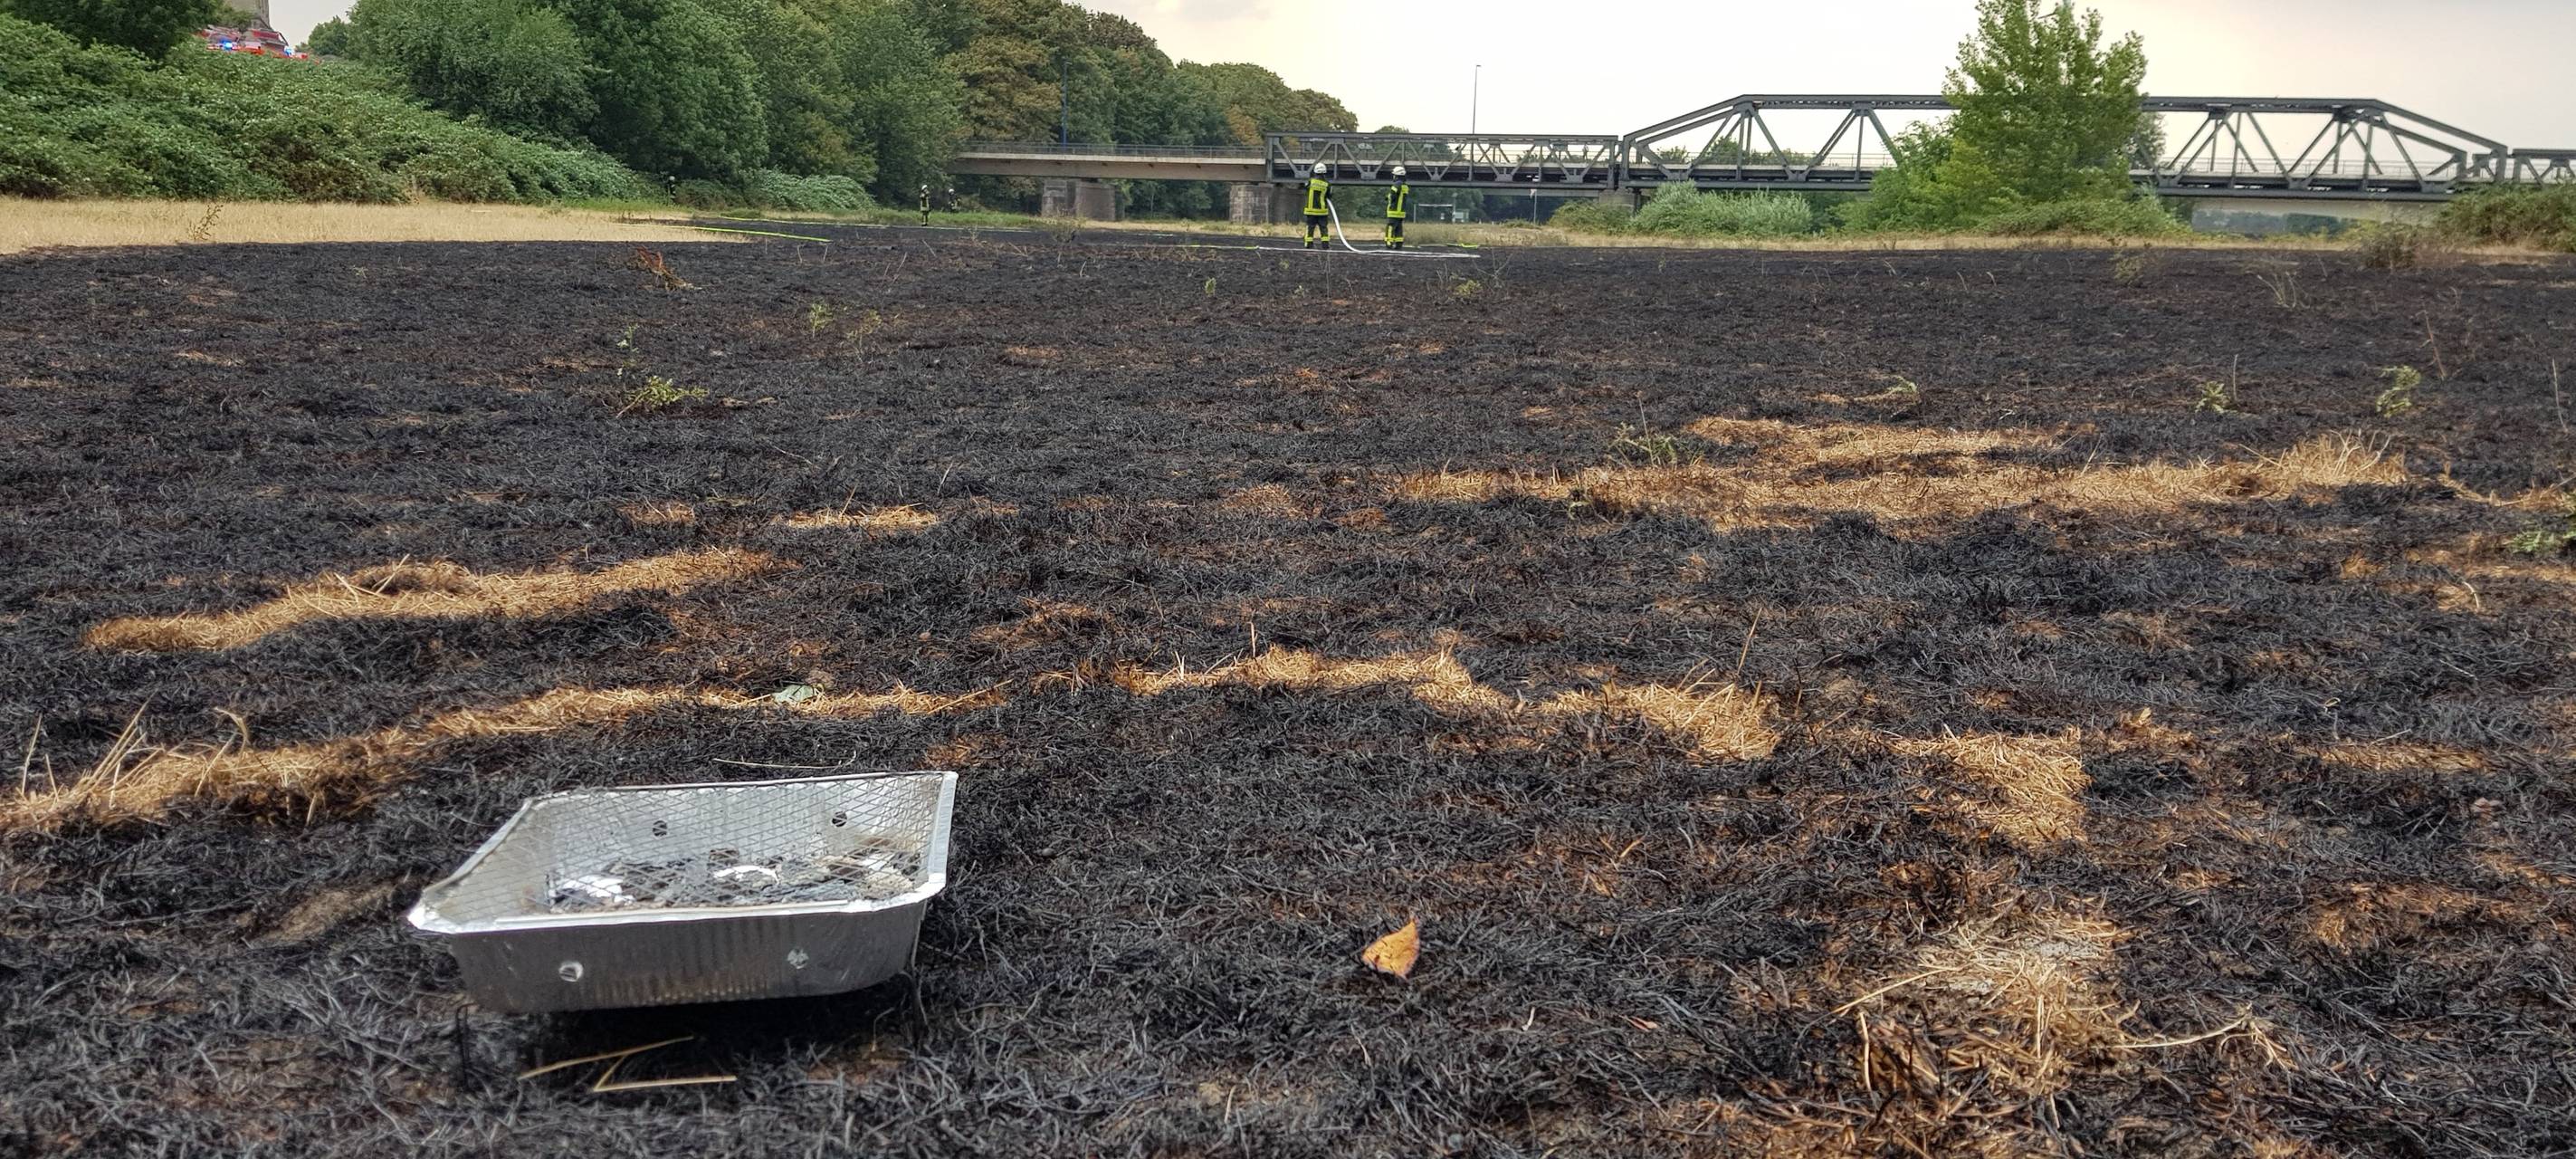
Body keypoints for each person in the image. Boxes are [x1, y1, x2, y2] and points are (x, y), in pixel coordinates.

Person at [1383, 166, 1411, 250]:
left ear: (1397, 175)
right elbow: (1400, 196)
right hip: (1401, 212)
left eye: (1394, 175)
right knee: (1399, 228)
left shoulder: (1396, 184)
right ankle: (1399, 244)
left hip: (1394, 211)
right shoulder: (1405, 186)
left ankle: (1389, 242)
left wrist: (1388, 198)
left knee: (1390, 227)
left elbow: (1393, 196)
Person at [1302, 172, 1332, 249]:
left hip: (1311, 210)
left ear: (1315, 172)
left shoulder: (1310, 181)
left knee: (1310, 228)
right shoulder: (1327, 184)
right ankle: (1325, 245)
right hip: (1322, 211)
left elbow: (1305, 187)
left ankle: (1309, 244)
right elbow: (1329, 195)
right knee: (1323, 228)